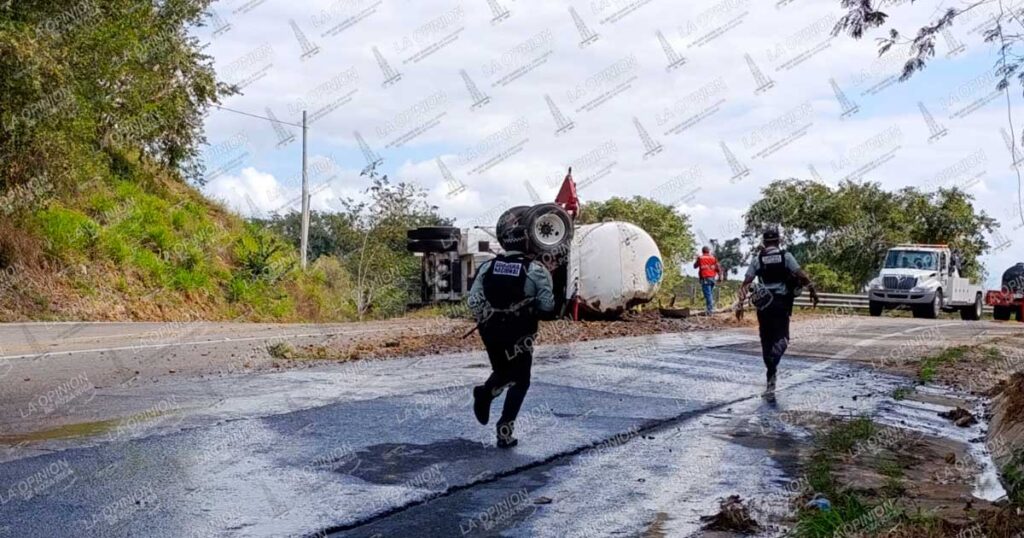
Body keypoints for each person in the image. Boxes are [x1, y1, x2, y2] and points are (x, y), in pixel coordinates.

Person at [467, 209, 555, 448]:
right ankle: (504, 431)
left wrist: (491, 315)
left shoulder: (487, 267)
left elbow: (473, 301)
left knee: (504, 371)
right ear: (527, 244)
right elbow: (547, 306)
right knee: (521, 380)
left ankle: (485, 394)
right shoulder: (536, 270)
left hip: (490, 330)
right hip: (520, 332)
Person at [737, 227, 818, 396]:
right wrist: (812, 290)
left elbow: (746, 283)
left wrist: (740, 304)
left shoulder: (757, 259)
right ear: (779, 241)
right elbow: (801, 275)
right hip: (781, 303)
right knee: (782, 338)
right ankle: (774, 362)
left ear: (764, 242)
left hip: (764, 304)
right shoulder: (786, 257)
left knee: (765, 338)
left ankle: (771, 369)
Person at [693, 246, 722, 314]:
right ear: (709, 251)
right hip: (712, 278)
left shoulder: (701, 258)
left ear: (702, 251)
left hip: (705, 278)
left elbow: (695, 266)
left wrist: (697, 259)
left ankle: (710, 310)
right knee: (710, 294)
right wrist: (720, 277)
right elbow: (718, 268)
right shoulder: (713, 258)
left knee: (708, 295)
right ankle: (710, 308)